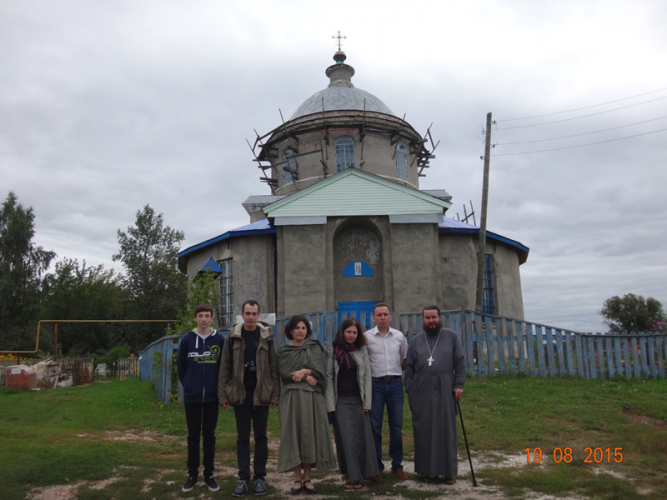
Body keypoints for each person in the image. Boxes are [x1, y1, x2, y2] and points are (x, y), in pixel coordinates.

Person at [218, 300, 280, 497]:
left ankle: (260, 477)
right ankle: (243, 478)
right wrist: (223, 395)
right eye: (248, 313)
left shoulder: (267, 336)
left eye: (254, 313)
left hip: (261, 393)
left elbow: (273, 366)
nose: (251, 317)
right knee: (242, 437)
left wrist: (275, 394)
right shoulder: (232, 337)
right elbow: (224, 367)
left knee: (261, 437)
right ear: (242, 314)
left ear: (258, 315)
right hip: (240, 394)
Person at [405, 305, 466, 484]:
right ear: (423, 320)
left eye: (434, 317)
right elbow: (409, 366)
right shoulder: (417, 340)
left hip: (445, 385)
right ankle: (428, 471)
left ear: (440, 318)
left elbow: (460, 362)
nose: (431, 321)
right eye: (427, 318)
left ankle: (449, 472)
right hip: (422, 388)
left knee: (446, 429)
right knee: (424, 429)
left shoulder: (451, 336)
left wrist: (459, 385)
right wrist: (410, 387)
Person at [277, 315, 336, 495]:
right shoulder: (284, 351)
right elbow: (285, 374)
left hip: (312, 398)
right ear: (290, 331)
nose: (300, 331)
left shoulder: (313, 348)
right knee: (294, 435)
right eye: (297, 328)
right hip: (292, 397)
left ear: (307, 330)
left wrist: (305, 371)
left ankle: (308, 478)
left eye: (303, 328)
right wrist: (306, 377)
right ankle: (296, 478)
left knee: (309, 435)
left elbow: (320, 372)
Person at [325, 317, 379, 489]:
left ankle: (362, 474)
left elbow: (366, 376)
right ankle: (349, 475)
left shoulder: (361, 350)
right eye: (348, 331)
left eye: (355, 332)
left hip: (358, 399)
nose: (351, 335)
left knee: (363, 438)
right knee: (346, 439)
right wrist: (330, 406)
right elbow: (328, 378)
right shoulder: (333, 351)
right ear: (342, 332)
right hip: (341, 401)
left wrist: (367, 403)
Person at [176, 304, 225, 493]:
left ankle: (209, 475)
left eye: (207, 315)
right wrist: (189, 385)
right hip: (193, 397)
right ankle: (192, 475)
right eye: (200, 316)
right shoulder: (187, 341)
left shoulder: (219, 340)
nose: (204, 319)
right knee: (193, 437)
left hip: (212, 397)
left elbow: (223, 367)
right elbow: (181, 368)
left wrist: (218, 390)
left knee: (209, 436)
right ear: (195, 318)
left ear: (212, 318)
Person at [364, 303, 409, 482]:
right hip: (376, 385)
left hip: (396, 385)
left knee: (396, 427)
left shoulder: (398, 336)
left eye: (385, 314)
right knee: (374, 427)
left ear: (390, 317)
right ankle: (376, 467)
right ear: (374, 318)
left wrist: (395, 371)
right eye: (379, 315)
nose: (382, 317)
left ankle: (397, 465)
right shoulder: (367, 337)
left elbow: (405, 358)